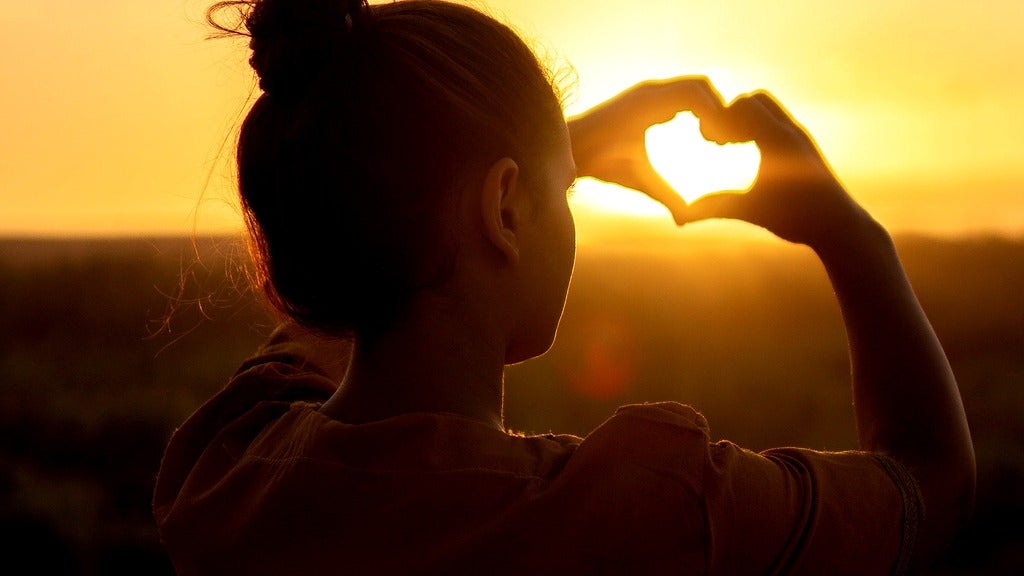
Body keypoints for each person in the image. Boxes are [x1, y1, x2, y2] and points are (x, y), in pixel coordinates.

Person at [153, 0, 975, 573]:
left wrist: (533, 155)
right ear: (504, 207)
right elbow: (929, 483)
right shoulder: (652, 511)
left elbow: (358, 254)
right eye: (568, 192)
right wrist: (851, 235)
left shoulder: (225, 470)